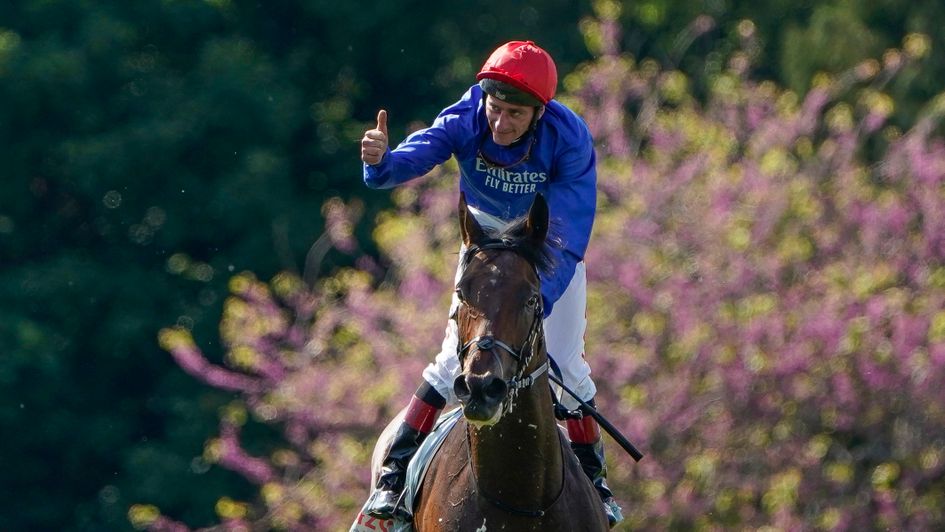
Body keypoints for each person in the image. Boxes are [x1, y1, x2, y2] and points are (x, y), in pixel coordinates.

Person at [359, 40, 622, 526]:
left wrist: (529, 300)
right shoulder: (467, 115)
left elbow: (570, 232)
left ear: (540, 112)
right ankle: (393, 477)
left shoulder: (569, 136)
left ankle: (596, 482)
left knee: (567, 366)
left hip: (545, 246)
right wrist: (382, 164)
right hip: (483, 238)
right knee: (451, 361)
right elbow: (419, 154)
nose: (500, 124)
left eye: (514, 115)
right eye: (495, 109)